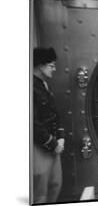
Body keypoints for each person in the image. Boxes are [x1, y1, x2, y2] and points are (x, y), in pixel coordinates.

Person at [33, 47, 65, 203]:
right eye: (51, 65)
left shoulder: (44, 85)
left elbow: (54, 113)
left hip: (53, 145)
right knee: (41, 194)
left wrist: (60, 137)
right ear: (40, 65)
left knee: (54, 185)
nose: (54, 68)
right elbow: (32, 124)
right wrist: (52, 143)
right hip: (39, 147)